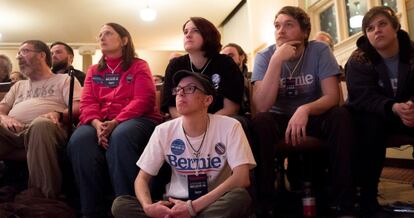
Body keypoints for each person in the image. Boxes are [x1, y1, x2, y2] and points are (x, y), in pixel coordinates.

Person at [251, 6, 354, 216]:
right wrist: (276, 60)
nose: (281, 30)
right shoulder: (265, 57)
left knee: (341, 116)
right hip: (278, 119)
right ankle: (266, 202)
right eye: (277, 26)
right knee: (260, 121)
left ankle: (343, 200)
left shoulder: (319, 51)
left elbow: (333, 97)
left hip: (313, 115)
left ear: (305, 31)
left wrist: (305, 109)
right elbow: (261, 105)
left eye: (289, 25)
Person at [111, 70, 256, 218]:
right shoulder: (163, 130)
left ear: (207, 100)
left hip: (212, 202)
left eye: (190, 89)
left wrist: (192, 208)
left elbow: (241, 178)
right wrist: (148, 207)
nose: (180, 94)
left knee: (240, 197)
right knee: (121, 204)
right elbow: (141, 179)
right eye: (178, 89)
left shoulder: (230, 126)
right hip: (174, 203)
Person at [67, 23, 162, 217]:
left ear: (124, 40)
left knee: (121, 136)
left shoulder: (139, 65)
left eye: (108, 33)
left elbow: (144, 100)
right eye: (100, 34)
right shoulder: (94, 70)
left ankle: (128, 207)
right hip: (100, 121)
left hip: (138, 119)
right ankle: (91, 210)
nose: (102, 37)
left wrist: (116, 122)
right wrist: (96, 124)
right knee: (79, 141)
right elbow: (87, 102)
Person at [345, 6, 414, 216]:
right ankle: (368, 198)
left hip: (408, 111)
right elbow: (361, 97)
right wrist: (392, 107)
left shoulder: (412, 52)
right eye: (370, 28)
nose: (377, 31)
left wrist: (411, 105)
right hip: (375, 114)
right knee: (369, 124)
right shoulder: (358, 59)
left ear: (396, 27)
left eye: (382, 24)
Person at [0, 40, 81, 198]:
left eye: (24, 51)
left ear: (42, 55)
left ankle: (43, 198)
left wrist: (58, 114)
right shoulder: (18, 86)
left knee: (40, 124)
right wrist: (4, 118)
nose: (18, 57)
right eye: (18, 53)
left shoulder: (64, 80)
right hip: (13, 132)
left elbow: (77, 107)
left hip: (48, 128)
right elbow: (1, 110)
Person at [161, 17, 244, 119]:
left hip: (221, 120)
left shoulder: (225, 63)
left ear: (209, 35)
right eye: (185, 32)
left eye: (195, 30)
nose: (188, 35)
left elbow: (231, 108)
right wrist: (189, 124)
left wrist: (205, 124)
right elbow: (172, 106)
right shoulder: (175, 65)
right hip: (184, 121)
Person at [220, 43, 251, 114]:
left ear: (241, 57)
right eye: (223, 57)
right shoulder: (218, 81)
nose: (226, 59)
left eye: (230, 55)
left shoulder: (253, 78)